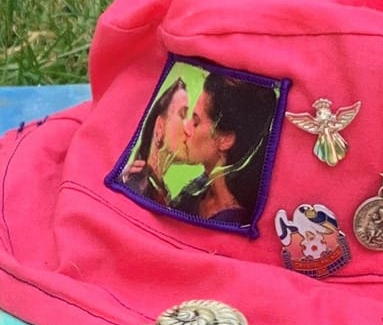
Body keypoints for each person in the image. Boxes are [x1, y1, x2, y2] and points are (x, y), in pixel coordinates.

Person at [172, 75, 275, 227]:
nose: (186, 128)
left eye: (196, 122)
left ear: (225, 140)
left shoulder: (231, 223)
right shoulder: (200, 187)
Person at [117, 76, 188, 204]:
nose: (188, 128)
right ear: (160, 127)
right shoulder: (137, 190)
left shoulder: (159, 189)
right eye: (182, 115)